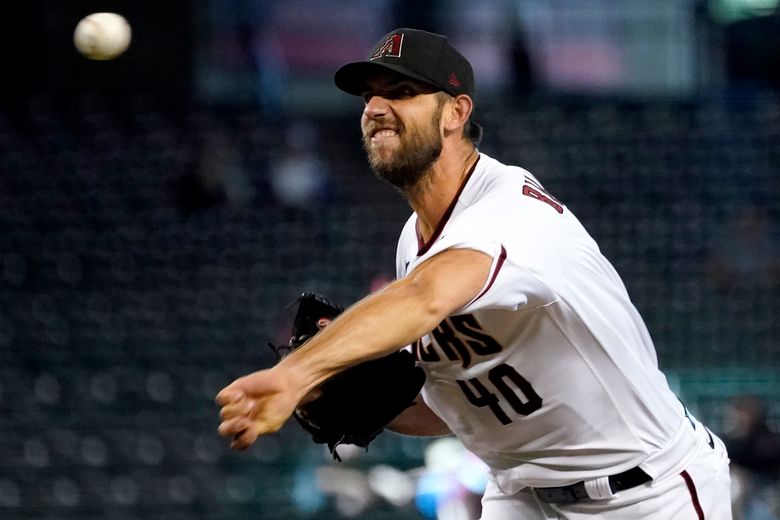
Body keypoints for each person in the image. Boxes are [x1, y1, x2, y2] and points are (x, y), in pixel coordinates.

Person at [216, 28, 733, 519]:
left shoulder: (512, 213)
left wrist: (299, 370)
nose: (375, 108)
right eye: (368, 97)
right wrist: (331, 388)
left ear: (455, 112)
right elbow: (457, 407)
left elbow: (425, 296)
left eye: (400, 91)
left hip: (646, 493)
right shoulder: (413, 240)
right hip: (519, 493)